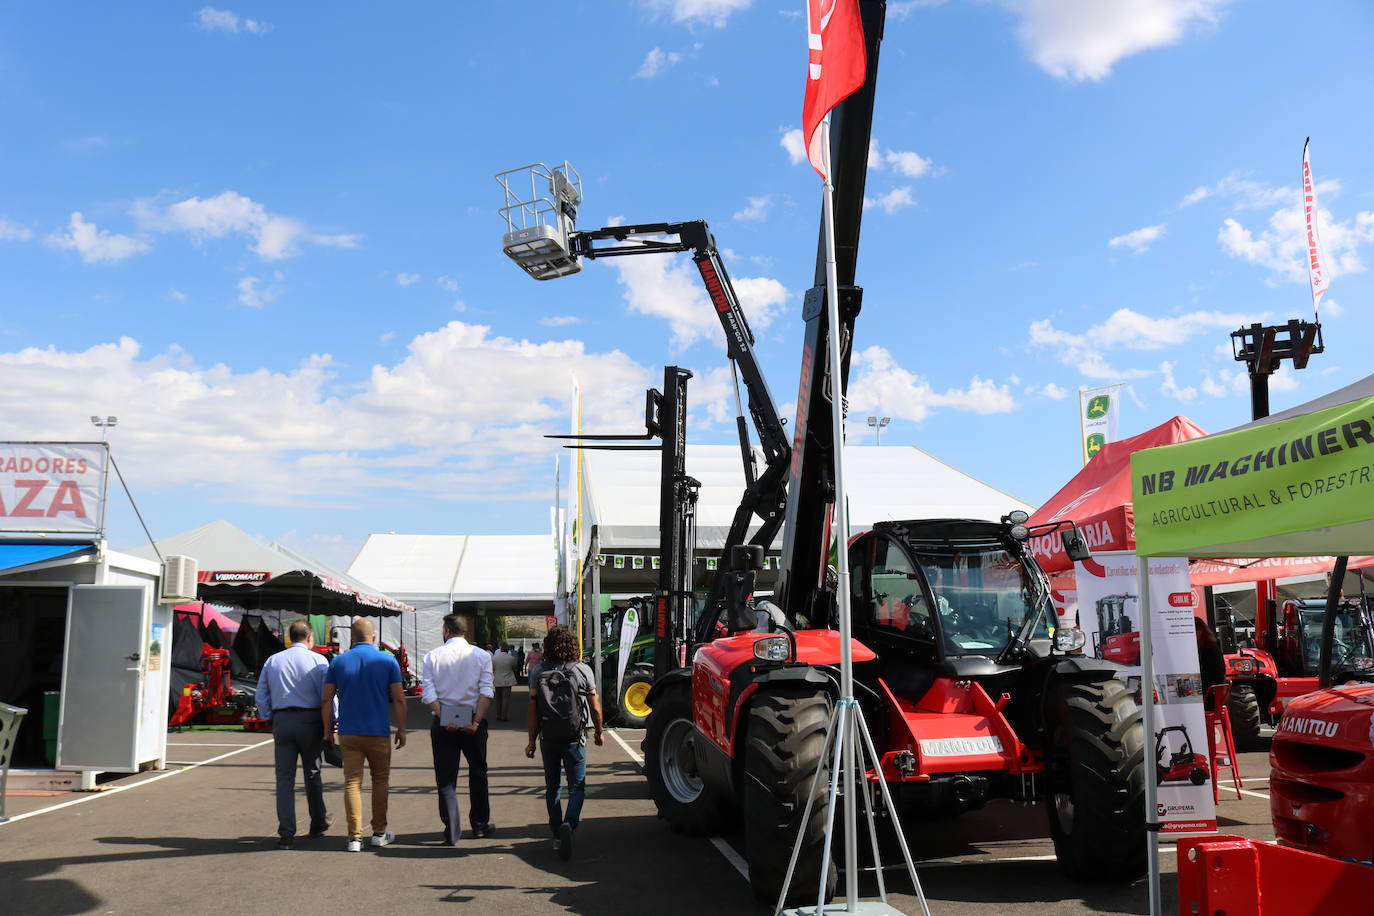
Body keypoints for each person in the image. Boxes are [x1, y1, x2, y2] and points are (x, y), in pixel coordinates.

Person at [322, 618, 406, 852]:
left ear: (352, 638)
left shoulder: (338, 661)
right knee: (380, 780)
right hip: (378, 731)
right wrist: (401, 728)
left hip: (349, 732)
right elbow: (399, 698)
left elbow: (327, 699)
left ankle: (354, 838)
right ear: (374, 637)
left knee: (352, 782)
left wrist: (327, 730)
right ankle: (379, 832)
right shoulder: (387, 660)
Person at [525, 625, 603, 861]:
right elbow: (595, 707)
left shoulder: (538, 672)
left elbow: (533, 710)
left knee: (552, 787)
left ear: (548, 646)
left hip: (548, 737)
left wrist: (531, 740)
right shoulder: (582, 670)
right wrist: (599, 732)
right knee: (577, 786)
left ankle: (557, 833)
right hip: (574, 737)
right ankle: (570, 822)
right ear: (573, 645)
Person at [257, 619, 333, 849]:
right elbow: (328, 697)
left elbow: (261, 695)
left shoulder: (273, 660)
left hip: (282, 720)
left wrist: (268, 715)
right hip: (310, 720)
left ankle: (286, 833)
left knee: (284, 779)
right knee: (313, 773)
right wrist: (331, 723)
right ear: (309, 637)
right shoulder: (318, 661)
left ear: (290, 637)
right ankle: (317, 822)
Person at [421, 614, 495, 845]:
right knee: (478, 772)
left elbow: (428, 694)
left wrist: (444, 717)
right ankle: (480, 825)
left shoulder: (432, 656)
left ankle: (452, 830)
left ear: (446, 632)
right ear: (465, 632)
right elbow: (487, 691)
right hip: (473, 719)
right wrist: (476, 721)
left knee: (446, 778)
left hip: (444, 722)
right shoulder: (482, 655)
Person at [1195, 617, 1227, 710]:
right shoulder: (1210, 644)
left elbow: (1211, 673)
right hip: (1215, 689)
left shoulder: (1207, 647)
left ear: (1200, 631)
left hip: (1212, 691)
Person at [491, 644, 519, 721]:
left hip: (497, 679)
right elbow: (514, 667)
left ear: (501, 650)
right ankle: (504, 715)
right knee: (505, 698)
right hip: (508, 680)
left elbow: (492, 668)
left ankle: (498, 714)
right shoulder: (511, 658)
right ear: (508, 650)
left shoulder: (494, 658)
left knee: (498, 698)